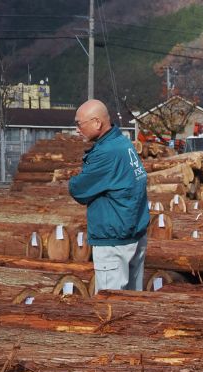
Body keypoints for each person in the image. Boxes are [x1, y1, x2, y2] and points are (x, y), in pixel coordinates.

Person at [68, 99, 149, 291]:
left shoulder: (107, 152)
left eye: (79, 124)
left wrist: (74, 180)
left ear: (97, 122)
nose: (77, 129)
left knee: (109, 303)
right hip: (134, 234)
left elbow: (78, 190)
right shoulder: (122, 144)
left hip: (114, 240)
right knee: (133, 300)